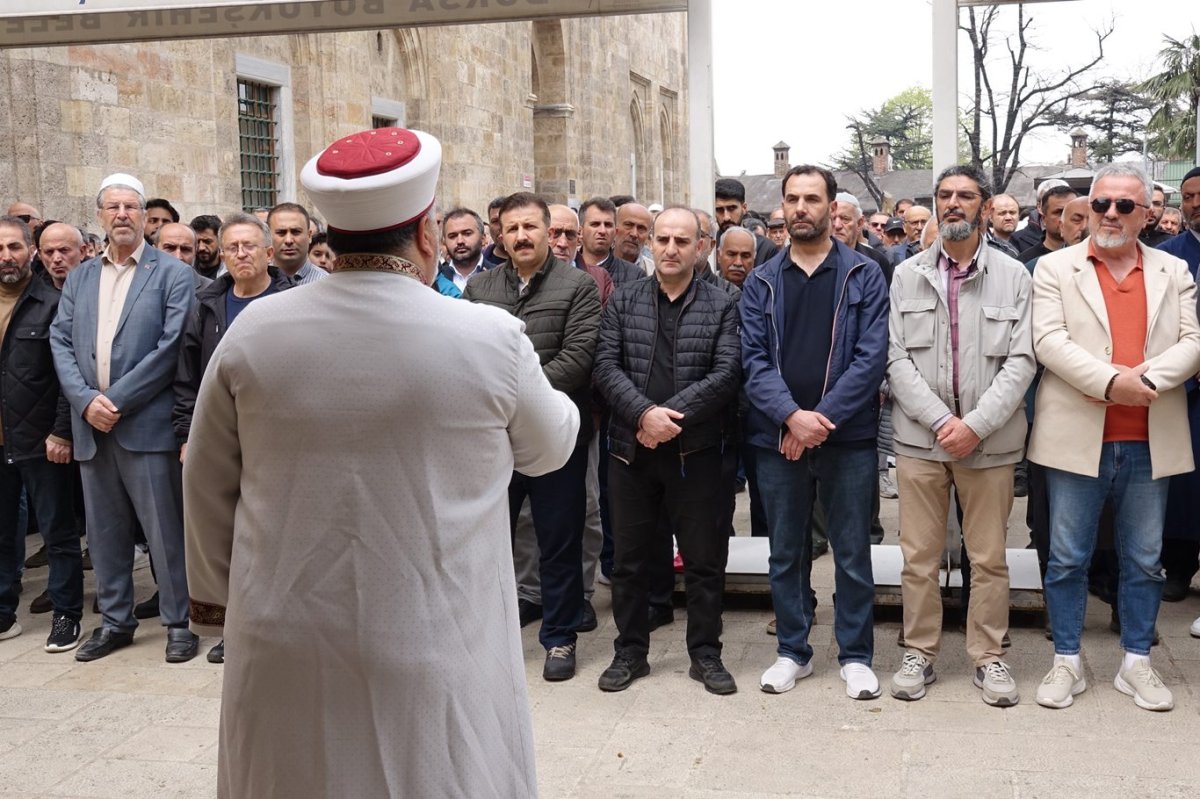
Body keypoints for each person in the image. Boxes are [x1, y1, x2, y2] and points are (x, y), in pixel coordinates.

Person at [184, 127, 577, 797]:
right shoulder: (489, 337)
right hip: (438, 638)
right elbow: (550, 448)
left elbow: (206, 480)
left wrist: (221, 603)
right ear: (425, 233)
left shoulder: (256, 330)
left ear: (326, 235)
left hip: (286, 636)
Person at [1030, 163, 1200, 712]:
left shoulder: (1174, 270)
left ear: (1145, 215)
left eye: (1124, 206)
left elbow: (1194, 340)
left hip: (1151, 435)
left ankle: (1136, 663)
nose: (1108, 214)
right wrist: (1110, 382)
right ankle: (1066, 661)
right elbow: (1049, 341)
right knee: (1066, 558)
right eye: (1101, 203)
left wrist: (1142, 381)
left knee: (1145, 559)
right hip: (1077, 437)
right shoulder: (1054, 268)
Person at [886, 165, 1035, 706]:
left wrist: (972, 426)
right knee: (918, 557)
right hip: (919, 442)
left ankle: (988, 657)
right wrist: (940, 422)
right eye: (945, 196)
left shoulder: (1014, 275)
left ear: (983, 205)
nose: (953, 204)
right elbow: (895, 358)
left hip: (989, 444)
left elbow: (1022, 362)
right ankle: (919, 652)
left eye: (965, 196)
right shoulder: (907, 275)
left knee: (989, 557)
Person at [742, 165, 889, 699]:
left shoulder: (863, 274)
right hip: (776, 436)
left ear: (831, 206)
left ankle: (855, 655)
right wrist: (790, 417)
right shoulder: (761, 280)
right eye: (792, 199)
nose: (800, 208)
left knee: (852, 549)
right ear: (782, 207)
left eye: (811, 198)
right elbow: (753, 361)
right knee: (786, 550)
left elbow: (871, 358)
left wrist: (816, 421)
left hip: (845, 437)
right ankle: (793, 651)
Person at [50, 173, 198, 663]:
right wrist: (84, 400)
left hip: (144, 426)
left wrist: (116, 401)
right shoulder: (81, 276)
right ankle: (115, 622)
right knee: (105, 533)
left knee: (164, 533)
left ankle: (180, 622)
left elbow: (169, 345)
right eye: (112, 207)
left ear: (144, 216)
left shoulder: (171, 273)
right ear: (99, 216)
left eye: (130, 207)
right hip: (90, 426)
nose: (121, 215)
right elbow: (61, 341)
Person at [593, 206, 741, 695]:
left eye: (683, 241)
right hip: (630, 452)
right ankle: (630, 652)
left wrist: (667, 418)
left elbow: (726, 375)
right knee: (630, 562)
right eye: (663, 240)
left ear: (702, 246)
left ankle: (705, 654)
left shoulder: (722, 303)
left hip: (695, 454)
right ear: (651, 243)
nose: (671, 249)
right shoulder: (623, 299)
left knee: (703, 561)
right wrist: (642, 415)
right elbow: (605, 366)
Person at [464, 192, 602, 682]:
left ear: (550, 232)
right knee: (490, 540)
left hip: (554, 436)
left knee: (557, 539)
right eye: (512, 228)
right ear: (499, 234)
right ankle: (488, 634)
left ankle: (560, 636)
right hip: (495, 440)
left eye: (531, 227)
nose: (522, 236)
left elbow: (579, 356)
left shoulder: (578, 287)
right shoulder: (479, 289)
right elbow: (469, 356)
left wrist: (520, 396)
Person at [174, 213, 295, 664]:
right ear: (222, 256)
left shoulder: (294, 302)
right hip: (220, 440)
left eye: (249, 246)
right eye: (232, 248)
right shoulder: (207, 304)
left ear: (268, 253)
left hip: (276, 443)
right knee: (227, 534)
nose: (241, 254)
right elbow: (186, 378)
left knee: (273, 532)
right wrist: (188, 435)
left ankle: (279, 617)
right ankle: (231, 624)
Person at [0, 216, 83, 651]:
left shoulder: (51, 302)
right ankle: (3, 613)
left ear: (29, 250)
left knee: (57, 532)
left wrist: (61, 431)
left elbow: (68, 378)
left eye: (14, 246)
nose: (6, 256)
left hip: (41, 439)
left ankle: (67, 614)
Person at [267, 203, 326, 285]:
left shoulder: (326, 285)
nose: (288, 240)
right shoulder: (254, 282)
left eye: (296, 232)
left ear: (309, 236)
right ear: (269, 236)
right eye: (281, 232)